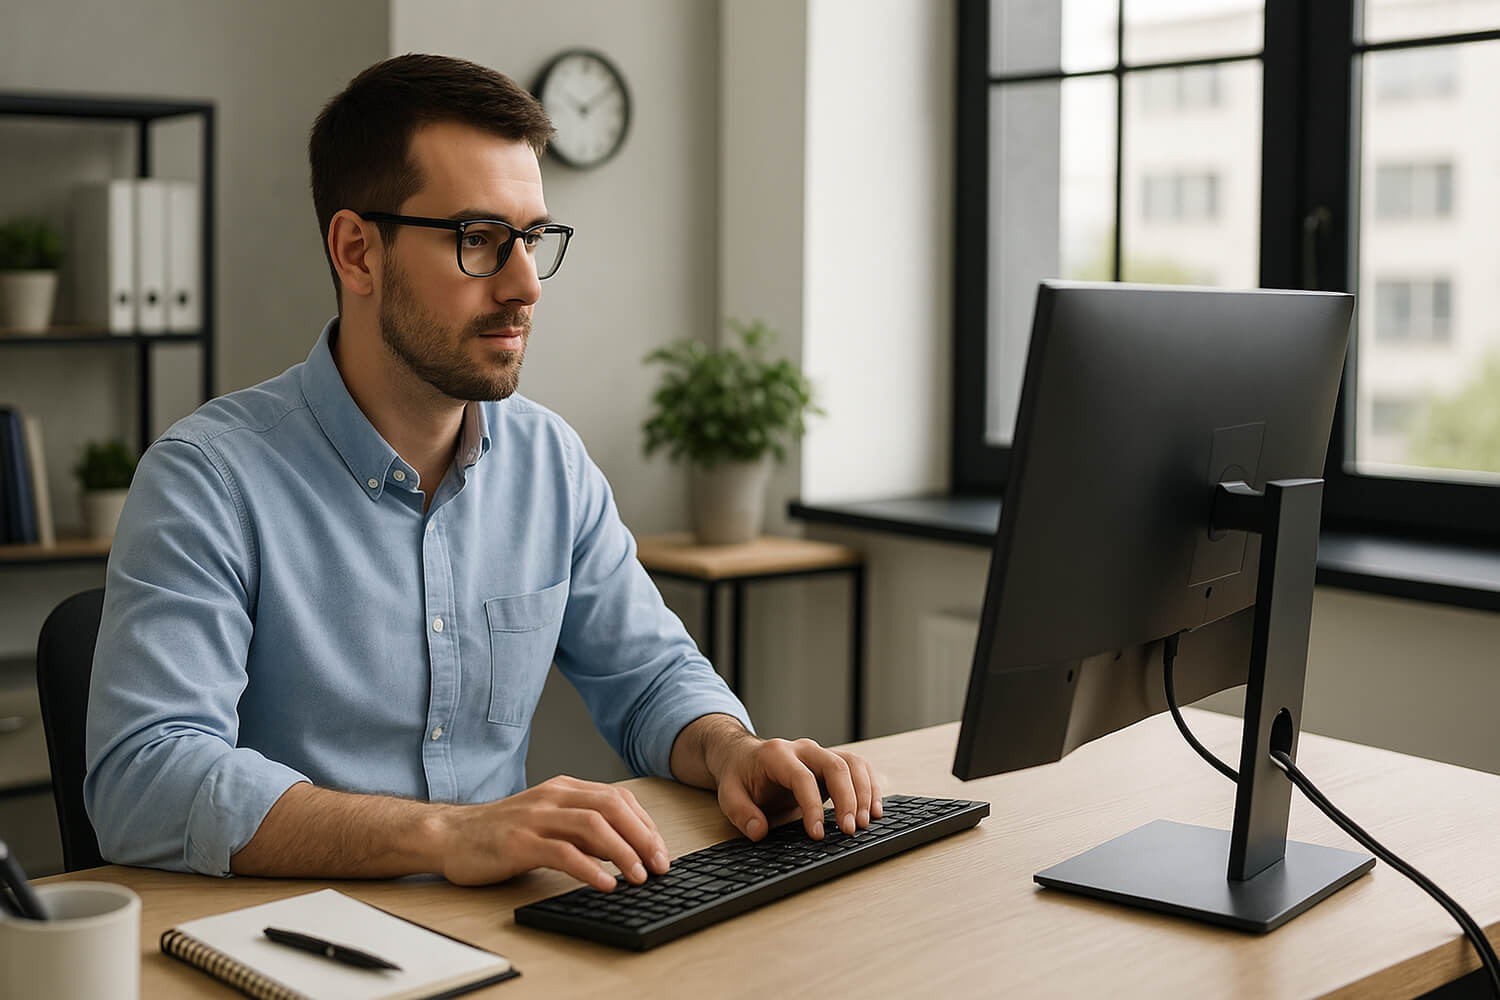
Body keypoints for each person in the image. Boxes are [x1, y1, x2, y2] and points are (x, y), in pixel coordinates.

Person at [83, 54, 882, 891]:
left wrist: (733, 749)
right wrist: (449, 836)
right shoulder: (206, 481)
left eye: (532, 238)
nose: (525, 284)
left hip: (508, 936)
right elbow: (145, 775)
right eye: (478, 239)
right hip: (301, 947)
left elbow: (650, 677)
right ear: (357, 251)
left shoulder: (549, 464)